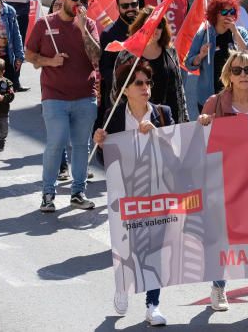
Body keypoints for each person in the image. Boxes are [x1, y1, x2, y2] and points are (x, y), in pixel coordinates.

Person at [195, 50, 248, 320]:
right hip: (223, 184)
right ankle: (218, 287)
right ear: (228, 74)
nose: (243, 75)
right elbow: (197, 144)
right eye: (238, 70)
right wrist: (204, 124)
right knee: (223, 240)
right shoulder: (215, 103)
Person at [93, 60, 171, 326]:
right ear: (125, 89)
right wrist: (101, 143)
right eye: (139, 83)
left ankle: (153, 304)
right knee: (126, 245)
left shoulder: (162, 113)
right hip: (124, 192)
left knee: (154, 248)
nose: (145, 87)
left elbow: (177, 151)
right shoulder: (114, 115)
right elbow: (108, 162)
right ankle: (122, 284)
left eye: (148, 82)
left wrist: (158, 134)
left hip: (156, 190)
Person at [24, 0, 102, 213]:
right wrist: (49, 61)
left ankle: (78, 192)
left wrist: (82, 30)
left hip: (84, 96)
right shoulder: (44, 24)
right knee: (57, 142)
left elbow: (96, 57)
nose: (79, 3)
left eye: (83, 0)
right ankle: (48, 193)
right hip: (54, 96)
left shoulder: (88, 25)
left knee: (81, 145)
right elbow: (29, 55)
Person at [113, 6, 188, 124]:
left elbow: (179, 88)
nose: (155, 29)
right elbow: (116, 93)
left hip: (171, 119)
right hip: (139, 120)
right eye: (151, 25)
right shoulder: (127, 55)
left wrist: (184, 120)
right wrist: (124, 121)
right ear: (141, 28)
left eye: (159, 25)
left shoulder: (170, 51)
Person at [185, 0, 248, 110]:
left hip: (235, 96)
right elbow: (189, 65)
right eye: (224, 12)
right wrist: (200, 56)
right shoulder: (204, 34)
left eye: (231, 12)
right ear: (215, 14)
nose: (228, 15)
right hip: (209, 96)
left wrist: (235, 32)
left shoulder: (240, 32)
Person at [99, 0, 141, 121]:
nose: (130, 9)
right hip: (118, 99)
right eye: (125, 6)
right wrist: (127, 85)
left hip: (145, 96)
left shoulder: (147, 29)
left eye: (134, 4)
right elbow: (105, 69)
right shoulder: (108, 34)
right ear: (117, 7)